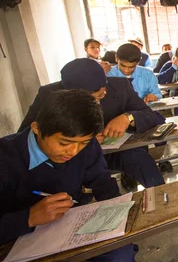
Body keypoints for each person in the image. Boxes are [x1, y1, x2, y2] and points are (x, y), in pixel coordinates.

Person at [3, 90, 139, 262]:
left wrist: (118, 215)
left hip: (70, 225)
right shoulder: (5, 158)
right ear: (37, 128)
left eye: (82, 143)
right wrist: (29, 218)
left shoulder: (84, 142)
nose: (73, 152)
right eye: (64, 143)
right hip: (15, 239)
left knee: (121, 252)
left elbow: (100, 179)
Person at [18, 58, 166, 192]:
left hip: (113, 151)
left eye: (101, 96)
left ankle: (162, 196)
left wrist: (127, 117)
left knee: (140, 159)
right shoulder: (49, 94)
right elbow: (24, 133)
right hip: (72, 156)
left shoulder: (120, 86)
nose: (96, 103)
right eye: (90, 99)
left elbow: (150, 115)